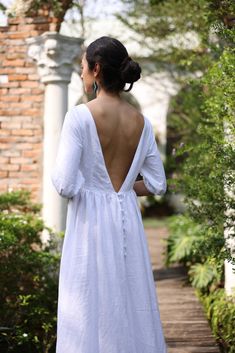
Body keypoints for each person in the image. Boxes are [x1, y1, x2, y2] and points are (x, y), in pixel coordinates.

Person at [51, 36, 167, 353]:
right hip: (126, 218)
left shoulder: (78, 117)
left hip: (90, 224)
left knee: (87, 306)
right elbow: (158, 184)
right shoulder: (142, 124)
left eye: (83, 66)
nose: (81, 72)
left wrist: (90, 184)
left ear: (97, 69)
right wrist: (124, 188)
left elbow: (65, 184)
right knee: (129, 302)